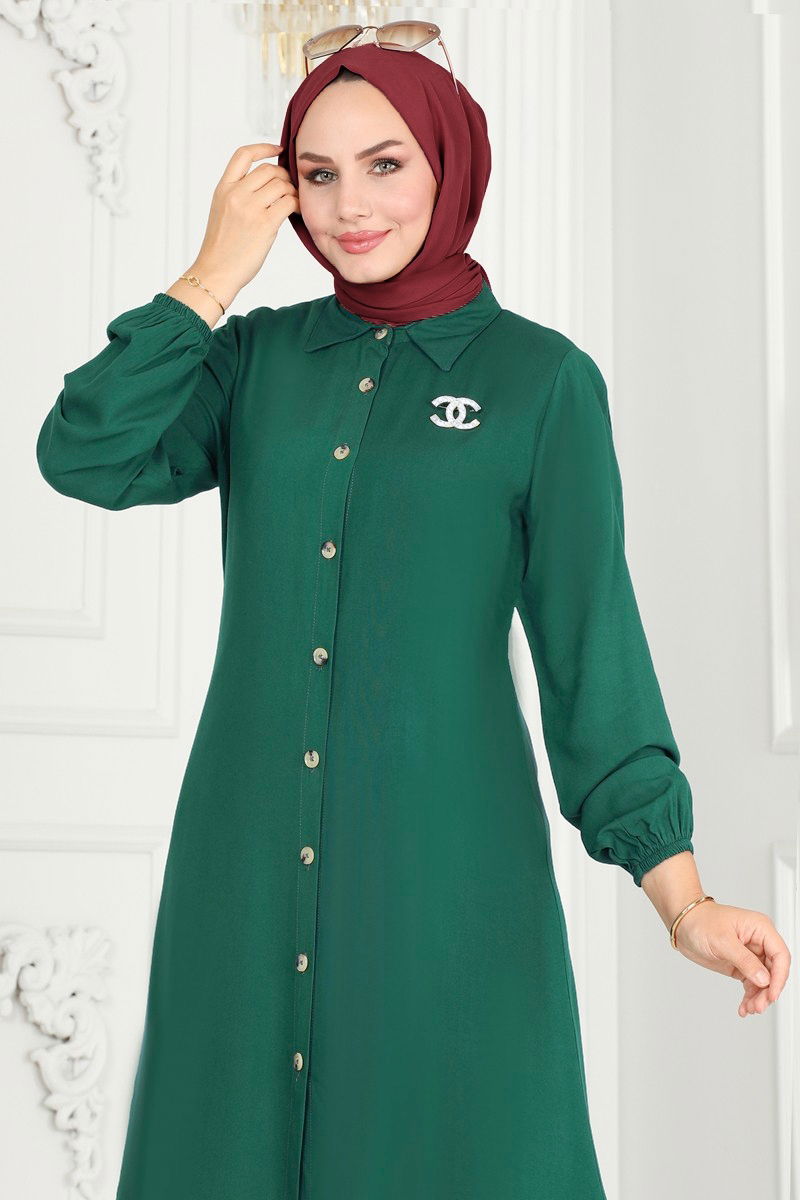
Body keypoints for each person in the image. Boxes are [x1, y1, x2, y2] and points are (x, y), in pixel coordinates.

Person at [35, 32, 791, 1200]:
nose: (350, 207)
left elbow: (588, 645)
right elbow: (85, 453)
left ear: (450, 164)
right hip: (240, 874)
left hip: (444, 877)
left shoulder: (539, 382)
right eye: (318, 174)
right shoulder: (252, 361)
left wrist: (677, 895)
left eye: (385, 165)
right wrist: (210, 275)